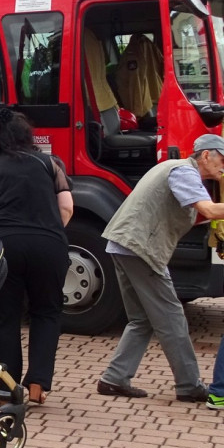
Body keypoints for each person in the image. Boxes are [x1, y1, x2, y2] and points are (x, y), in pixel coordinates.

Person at [96, 133, 224, 402]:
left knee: (141, 319)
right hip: (141, 248)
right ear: (205, 155)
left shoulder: (174, 168)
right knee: (172, 318)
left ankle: (114, 378)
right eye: (221, 159)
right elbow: (210, 211)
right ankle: (189, 386)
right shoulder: (185, 173)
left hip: (123, 244)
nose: (223, 165)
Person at [0, 108, 72, 405]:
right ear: (28, 136)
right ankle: (39, 385)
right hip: (49, 246)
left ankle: (4, 388)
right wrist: (49, 231)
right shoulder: (50, 164)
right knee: (47, 313)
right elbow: (67, 208)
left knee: (4, 316)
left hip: (6, 247)